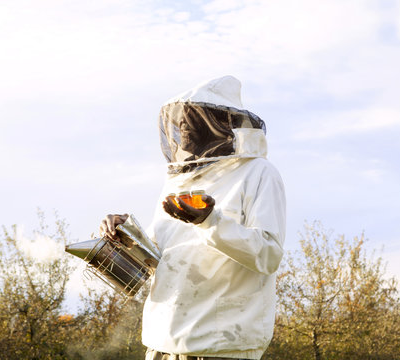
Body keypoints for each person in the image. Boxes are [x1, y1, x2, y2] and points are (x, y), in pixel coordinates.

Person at [100, 75, 286, 360]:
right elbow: (157, 260)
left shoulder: (258, 173)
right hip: (161, 347)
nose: (182, 128)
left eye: (192, 119)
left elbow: (268, 255)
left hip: (223, 349)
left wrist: (209, 222)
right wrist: (125, 235)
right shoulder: (177, 183)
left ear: (220, 123)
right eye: (179, 122)